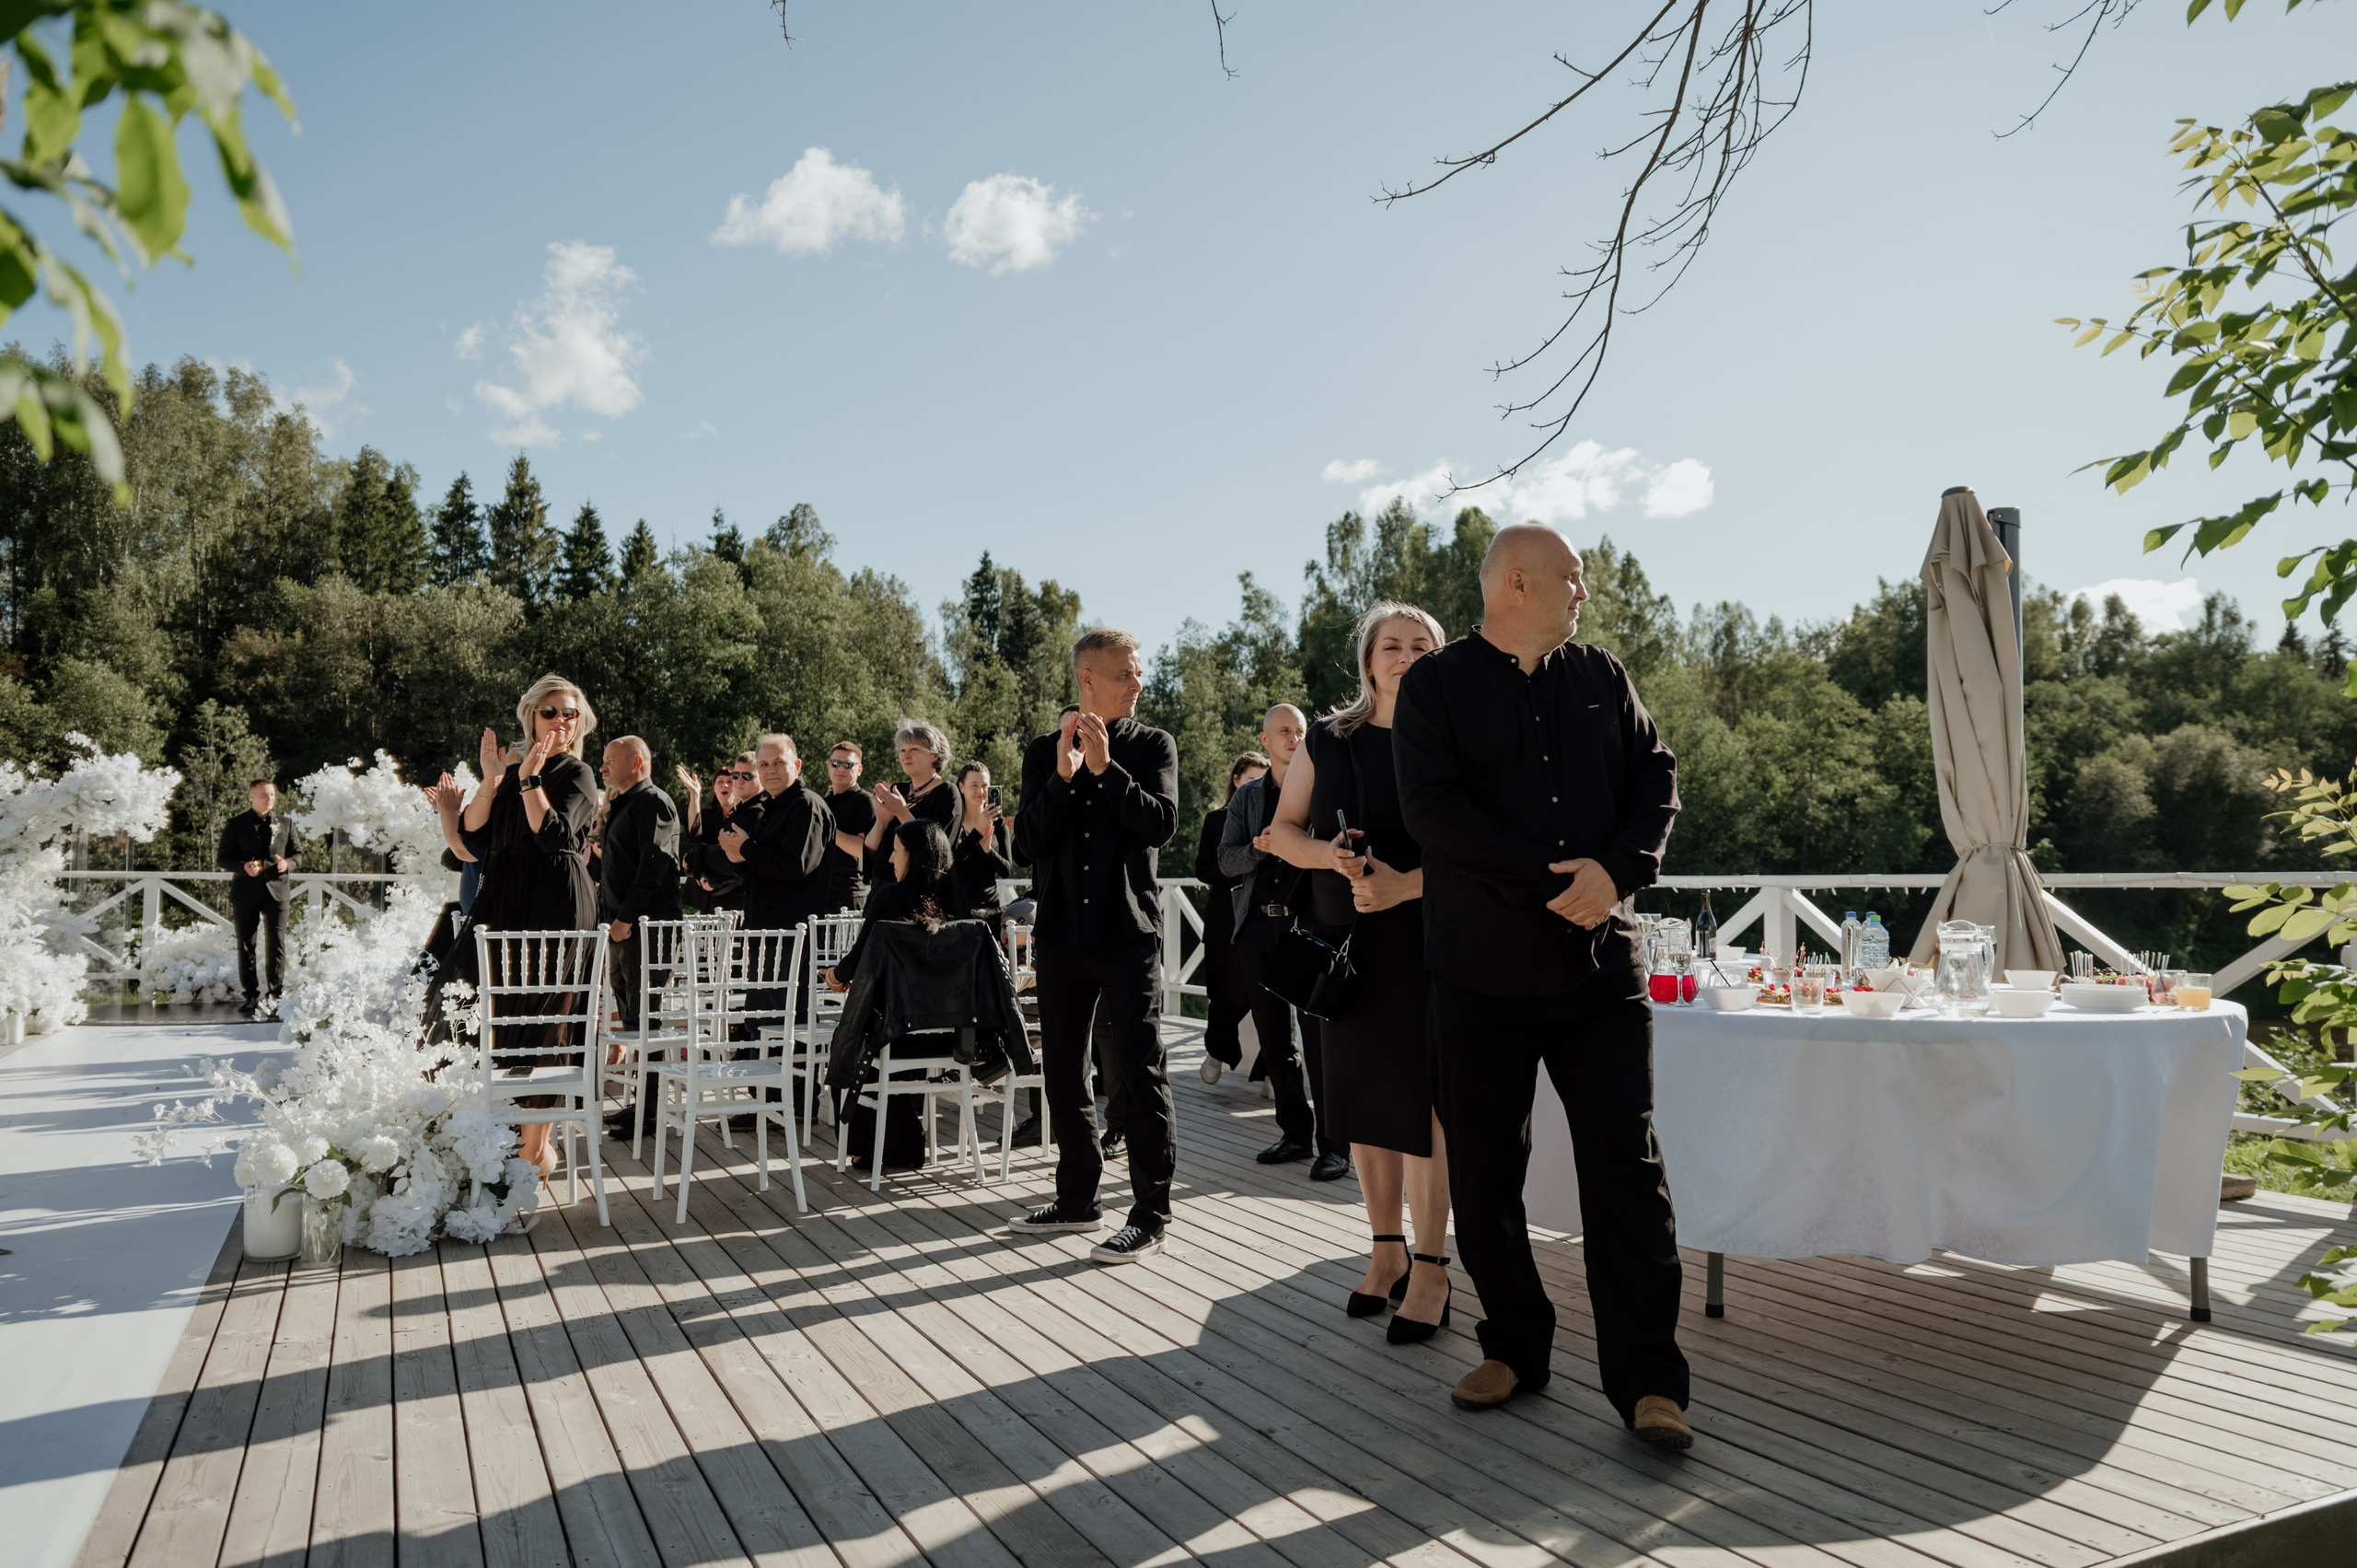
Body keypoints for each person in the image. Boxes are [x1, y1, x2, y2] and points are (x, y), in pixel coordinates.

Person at [1393, 524, 1689, 1446]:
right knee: (1483, 1175)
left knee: (1627, 1173)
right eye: (1573, 576)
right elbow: (1433, 813)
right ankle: (1514, 1346)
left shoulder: (1601, 675)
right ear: (1515, 584)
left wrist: (1617, 869)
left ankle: (1649, 1381)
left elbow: (1656, 777)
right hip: (1478, 975)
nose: (1584, 591)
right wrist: (1556, 874)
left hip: (1599, 971)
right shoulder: (1435, 688)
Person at [1266, 605, 1450, 1344]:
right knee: (1366, 1103)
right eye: (1392, 645)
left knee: (1427, 1108)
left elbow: (1487, 853)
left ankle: (1434, 1267)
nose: (1406, 656)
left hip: (1435, 943)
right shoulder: (1329, 741)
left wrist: (1407, 884)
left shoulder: (1456, 741)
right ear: (1368, 660)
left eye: (1421, 646)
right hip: (1348, 948)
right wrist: (1328, 857)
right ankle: (1386, 1252)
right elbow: (1283, 832)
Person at [1008, 628, 1179, 1263]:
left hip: (1127, 934)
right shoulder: (1040, 752)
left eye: (1138, 673)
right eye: (1125, 674)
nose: (1138, 684)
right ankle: (1078, 1197)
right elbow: (1025, 843)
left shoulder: (1154, 745)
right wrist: (1061, 779)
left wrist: (1106, 775)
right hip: (1059, 937)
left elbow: (1160, 824)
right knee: (1062, 1073)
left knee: (1138, 1072)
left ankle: (1150, 1212)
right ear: (1087, 679)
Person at [456, 674, 602, 1185]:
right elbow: (474, 831)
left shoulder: (578, 773)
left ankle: (529, 1155)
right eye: (550, 712)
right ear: (530, 716)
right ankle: (508, 1140)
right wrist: (493, 778)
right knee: (490, 1013)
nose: (561, 721)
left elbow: (554, 834)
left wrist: (530, 783)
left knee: (545, 1022)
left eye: (570, 714)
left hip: (557, 902)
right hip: (506, 897)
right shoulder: (512, 767)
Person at [1217, 703, 1342, 1176]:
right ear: (1265, 740)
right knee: (1274, 1040)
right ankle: (1295, 1135)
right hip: (1256, 929)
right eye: (1284, 732)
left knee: (1319, 1042)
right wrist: (1257, 849)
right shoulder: (1247, 797)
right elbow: (1225, 860)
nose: (1294, 738)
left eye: (1301, 731)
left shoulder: (1322, 786)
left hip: (1306, 927)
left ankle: (1336, 1144)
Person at [597, 736, 682, 1139]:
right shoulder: (626, 802)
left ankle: (651, 1113)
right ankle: (641, 1105)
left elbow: (655, 865)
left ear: (638, 762)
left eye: (610, 760)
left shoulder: (654, 802)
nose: (602, 767)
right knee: (633, 1019)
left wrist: (626, 918)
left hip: (646, 928)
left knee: (648, 1018)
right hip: (623, 927)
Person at [1192, 752, 1267, 1086]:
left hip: (1262, 918)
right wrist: (1238, 865)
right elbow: (1203, 869)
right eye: (1250, 780)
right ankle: (1217, 1049)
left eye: (1261, 782)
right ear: (1236, 780)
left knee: (1269, 997)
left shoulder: (1274, 820)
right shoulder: (1215, 820)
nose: (1256, 788)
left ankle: (1272, 1074)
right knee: (1224, 995)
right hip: (1224, 920)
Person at [216, 778, 300, 1019]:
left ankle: (275, 994)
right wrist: (243, 867)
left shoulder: (286, 823)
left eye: (272, 795)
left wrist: (289, 863)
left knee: (277, 943)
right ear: (251, 796)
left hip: (278, 891)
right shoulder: (236, 824)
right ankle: (250, 995)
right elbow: (223, 858)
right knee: (246, 944)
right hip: (246, 892)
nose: (269, 799)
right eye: (264, 795)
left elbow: (299, 854)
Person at [682, 751, 759, 912]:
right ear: (714, 789)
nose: (726, 785)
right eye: (720, 782)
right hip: (705, 889)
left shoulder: (748, 813)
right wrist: (695, 795)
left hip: (734, 892)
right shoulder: (709, 814)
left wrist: (712, 877)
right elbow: (693, 837)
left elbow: (740, 859)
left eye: (730, 781)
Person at [868, 719, 958, 854]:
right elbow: (869, 850)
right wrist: (881, 823)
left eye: (914, 749)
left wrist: (901, 812)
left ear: (935, 755)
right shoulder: (897, 790)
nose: (905, 755)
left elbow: (938, 852)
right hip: (882, 875)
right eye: (902, 750)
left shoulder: (947, 792)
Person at [947, 760, 1014, 923]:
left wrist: (988, 850)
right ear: (961, 787)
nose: (980, 791)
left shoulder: (999, 825)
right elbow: (951, 862)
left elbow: (1006, 871)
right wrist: (977, 832)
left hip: (991, 909)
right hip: (959, 909)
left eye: (985, 786)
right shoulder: (953, 822)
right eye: (974, 785)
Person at [820, 740, 877, 912]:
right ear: (829, 766)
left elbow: (864, 850)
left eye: (848, 764)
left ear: (859, 769)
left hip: (848, 895)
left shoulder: (864, 801)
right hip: (820, 892)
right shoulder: (823, 802)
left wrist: (829, 830)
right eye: (836, 763)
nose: (841, 769)